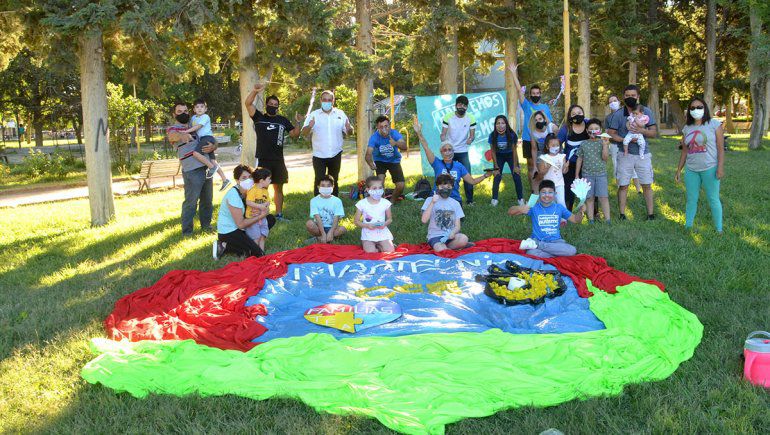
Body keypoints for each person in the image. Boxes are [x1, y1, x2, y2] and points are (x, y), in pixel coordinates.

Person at [245, 83, 301, 221]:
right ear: (266, 105)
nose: (273, 106)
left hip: (278, 159)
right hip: (263, 158)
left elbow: (294, 134)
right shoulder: (259, 117)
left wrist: (298, 122)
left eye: (276, 104)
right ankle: (261, 213)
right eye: (271, 103)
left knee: (279, 188)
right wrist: (255, 90)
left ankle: (279, 214)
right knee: (261, 187)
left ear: (278, 106)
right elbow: (248, 103)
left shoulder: (282, 120)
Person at [413, 117, 496, 205]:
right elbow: (426, 147)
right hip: (437, 197)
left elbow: (472, 181)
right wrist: (419, 133)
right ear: (441, 152)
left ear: (453, 151)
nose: (448, 152)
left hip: (454, 199)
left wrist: (486, 175)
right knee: (427, 212)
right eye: (445, 150)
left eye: (450, 149)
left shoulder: (459, 166)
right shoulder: (436, 163)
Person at [607, 84, 658, 220]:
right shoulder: (618, 114)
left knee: (646, 184)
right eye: (628, 95)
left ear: (638, 97)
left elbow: (653, 132)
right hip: (625, 155)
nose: (630, 98)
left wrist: (642, 131)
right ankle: (622, 214)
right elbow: (611, 134)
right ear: (624, 97)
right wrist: (625, 140)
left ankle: (650, 214)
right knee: (623, 185)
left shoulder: (646, 111)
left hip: (643, 154)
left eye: (633, 95)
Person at [675, 97, 724, 233]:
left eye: (699, 107)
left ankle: (719, 229)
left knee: (713, 198)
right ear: (689, 111)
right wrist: (679, 169)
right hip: (691, 169)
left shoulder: (714, 124)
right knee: (691, 199)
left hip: (710, 168)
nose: (696, 110)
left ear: (705, 108)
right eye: (693, 108)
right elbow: (685, 150)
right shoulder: (687, 128)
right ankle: (688, 226)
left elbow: (720, 148)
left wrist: (720, 167)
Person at [167, 102, 217, 235]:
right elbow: (172, 137)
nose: (183, 113)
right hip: (191, 170)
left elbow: (210, 138)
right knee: (191, 202)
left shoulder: (195, 126)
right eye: (179, 111)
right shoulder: (173, 128)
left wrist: (214, 146)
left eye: (185, 111)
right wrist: (182, 135)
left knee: (207, 200)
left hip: (206, 168)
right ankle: (187, 232)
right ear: (174, 114)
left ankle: (206, 226)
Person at [507, 179, 586, 258]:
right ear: (539, 194)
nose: (547, 195)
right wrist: (520, 208)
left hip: (556, 242)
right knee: (531, 253)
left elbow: (576, 220)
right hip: (538, 239)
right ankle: (555, 254)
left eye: (550, 192)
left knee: (572, 250)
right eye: (543, 192)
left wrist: (581, 212)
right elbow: (510, 212)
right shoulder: (534, 207)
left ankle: (539, 246)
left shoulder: (559, 208)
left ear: (555, 194)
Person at [508, 62, 554, 192]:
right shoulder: (526, 105)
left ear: (540, 94)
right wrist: (513, 73)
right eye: (533, 93)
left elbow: (549, 123)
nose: (535, 95)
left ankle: (545, 187)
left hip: (544, 140)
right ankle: (534, 189)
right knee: (531, 166)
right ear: (530, 95)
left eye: (537, 93)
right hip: (528, 139)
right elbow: (518, 90)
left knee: (544, 164)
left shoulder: (545, 107)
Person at [300, 90, 353, 196]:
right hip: (319, 154)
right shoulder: (314, 115)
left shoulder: (340, 114)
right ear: (320, 100)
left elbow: (349, 132)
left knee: (334, 180)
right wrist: (310, 126)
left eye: (329, 100)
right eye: (324, 100)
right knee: (319, 181)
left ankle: (334, 204)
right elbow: (304, 133)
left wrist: (349, 128)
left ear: (333, 101)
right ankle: (317, 205)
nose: (327, 102)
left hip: (335, 153)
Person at [213, 165, 265, 259]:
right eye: (244, 178)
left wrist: (258, 211)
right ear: (237, 180)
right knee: (257, 253)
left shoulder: (251, 191)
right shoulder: (233, 195)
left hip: (242, 226)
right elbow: (240, 224)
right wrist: (260, 216)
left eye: (249, 177)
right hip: (229, 231)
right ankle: (224, 245)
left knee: (270, 219)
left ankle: (250, 241)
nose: (248, 180)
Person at [440, 95, 477, 204]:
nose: (462, 107)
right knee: (446, 176)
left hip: (463, 151)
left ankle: (470, 200)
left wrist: (470, 139)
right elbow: (443, 134)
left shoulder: (471, 118)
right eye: (460, 104)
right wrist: (443, 141)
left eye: (465, 105)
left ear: (467, 107)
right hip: (450, 151)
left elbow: (472, 135)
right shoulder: (448, 117)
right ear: (456, 105)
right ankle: (446, 197)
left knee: (467, 175)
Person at [185, 98, 229, 188]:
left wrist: (186, 131)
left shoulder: (205, 117)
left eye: (202, 107)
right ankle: (225, 180)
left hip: (207, 138)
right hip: (203, 140)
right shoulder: (193, 118)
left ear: (205, 109)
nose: (199, 108)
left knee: (195, 153)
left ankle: (211, 168)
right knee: (213, 160)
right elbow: (190, 125)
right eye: (197, 107)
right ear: (194, 110)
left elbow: (198, 126)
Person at [421, 174, 470, 252]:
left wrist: (453, 232)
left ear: (452, 188)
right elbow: (424, 220)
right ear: (437, 186)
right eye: (442, 187)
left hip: (451, 236)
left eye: (448, 187)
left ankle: (449, 247)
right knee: (441, 249)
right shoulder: (429, 200)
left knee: (464, 238)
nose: (445, 190)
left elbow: (457, 226)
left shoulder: (455, 203)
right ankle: (450, 248)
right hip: (435, 236)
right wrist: (432, 203)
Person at [575, 119, 611, 224]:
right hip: (587, 175)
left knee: (603, 197)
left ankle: (607, 219)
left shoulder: (603, 142)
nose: (593, 131)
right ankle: (591, 219)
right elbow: (579, 159)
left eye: (596, 129)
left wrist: (605, 145)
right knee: (589, 198)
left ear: (600, 130)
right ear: (587, 130)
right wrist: (577, 174)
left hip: (601, 175)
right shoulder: (584, 144)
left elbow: (605, 158)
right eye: (591, 129)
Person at [366, 115, 407, 202]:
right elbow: (368, 154)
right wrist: (371, 164)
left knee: (401, 186)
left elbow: (405, 147)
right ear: (378, 127)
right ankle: (381, 202)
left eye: (386, 126)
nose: (384, 129)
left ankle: (391, 202)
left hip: (394, 161)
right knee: (380, 183)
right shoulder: (374, 137)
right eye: (381, 127)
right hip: (380, 161)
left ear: (389, 125)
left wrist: (395, 143)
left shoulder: (394, 133)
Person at [606, 95, 642, 193]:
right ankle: (619, 186)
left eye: (614, 100)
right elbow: (608, 132)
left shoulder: (628, 114)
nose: (613, 103)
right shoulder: (608, 118)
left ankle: (638, 189)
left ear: (619, 101)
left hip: (629, 144)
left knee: (632, 166)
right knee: (616, 165)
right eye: (610, 102)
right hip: (614, 145)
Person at [488, 115, 524, 206]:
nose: (500, 125)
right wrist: (496, 166)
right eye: (498, 123)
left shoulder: (512, 135)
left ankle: (520, 199)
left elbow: (515, 151)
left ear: (506, 124)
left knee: (516, 175)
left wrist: (515, 166)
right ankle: (494, 200)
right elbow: (492, 151)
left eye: (503, 123)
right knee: (497, 176)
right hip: (499, 156)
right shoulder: (492, 135)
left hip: (510, 155)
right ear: (495, 125)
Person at [354, 176, 394, 253]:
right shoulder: (361, 203)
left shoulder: (385, 203)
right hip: (368, 234)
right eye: (374, 188)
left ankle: (381, 245)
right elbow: (356, 221)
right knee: (371, 252)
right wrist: (367, 225)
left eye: (380, 188)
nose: (378, 190)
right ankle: (370, 245)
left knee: (390, 251)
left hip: (382, 233)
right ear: (368, 190)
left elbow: (390, 219)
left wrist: (384, 224)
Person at [562, 104, 589, 210]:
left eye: (579, 113)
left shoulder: (588, 125)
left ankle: (594, 212)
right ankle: (568, 211)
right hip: (570, 164)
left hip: (588, 164)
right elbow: (557, 143)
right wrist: (564, 161)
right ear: (570, 117)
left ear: (583, 114)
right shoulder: (566, 128)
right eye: (573, 114)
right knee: (568, 188)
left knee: (589, 188)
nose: (577, 115)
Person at [306, 175, 347, 243]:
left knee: (343, 229)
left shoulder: (337, 201)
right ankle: (323, 237)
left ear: (333, 187)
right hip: (319, 227)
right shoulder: (314, 201)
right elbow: (317, 218)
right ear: (318, 187)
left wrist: (331, 231)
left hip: (332, 227)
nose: (326, 188)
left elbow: (336, 218)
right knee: (309, 223)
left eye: (328, 185)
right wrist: (323, 233)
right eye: (323, 185)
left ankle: (320, 238)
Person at [244, 168, 272, 251]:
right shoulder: (253, 190)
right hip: (253, 218)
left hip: (262, 217)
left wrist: (265, 205)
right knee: (255, 238)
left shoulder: (265, 191)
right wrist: (260, 207)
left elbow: (268, 202)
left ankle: (261, 253)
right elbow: (248, 202)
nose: (270, 180)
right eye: (269, 179)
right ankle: (255, 254)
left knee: (262, 236)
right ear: (261, 180)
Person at [537, 134, 568, 206]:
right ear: (547, 147)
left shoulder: (562, 156)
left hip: (559, 184)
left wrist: (566, 167)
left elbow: (564, 172)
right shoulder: (544, 158)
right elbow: (541, 174)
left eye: (557, 145)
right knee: (550, 203)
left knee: (561, 202)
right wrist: (547, 168)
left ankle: (564, 217)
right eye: (553, 145)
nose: (556, 147)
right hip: (548, 185)